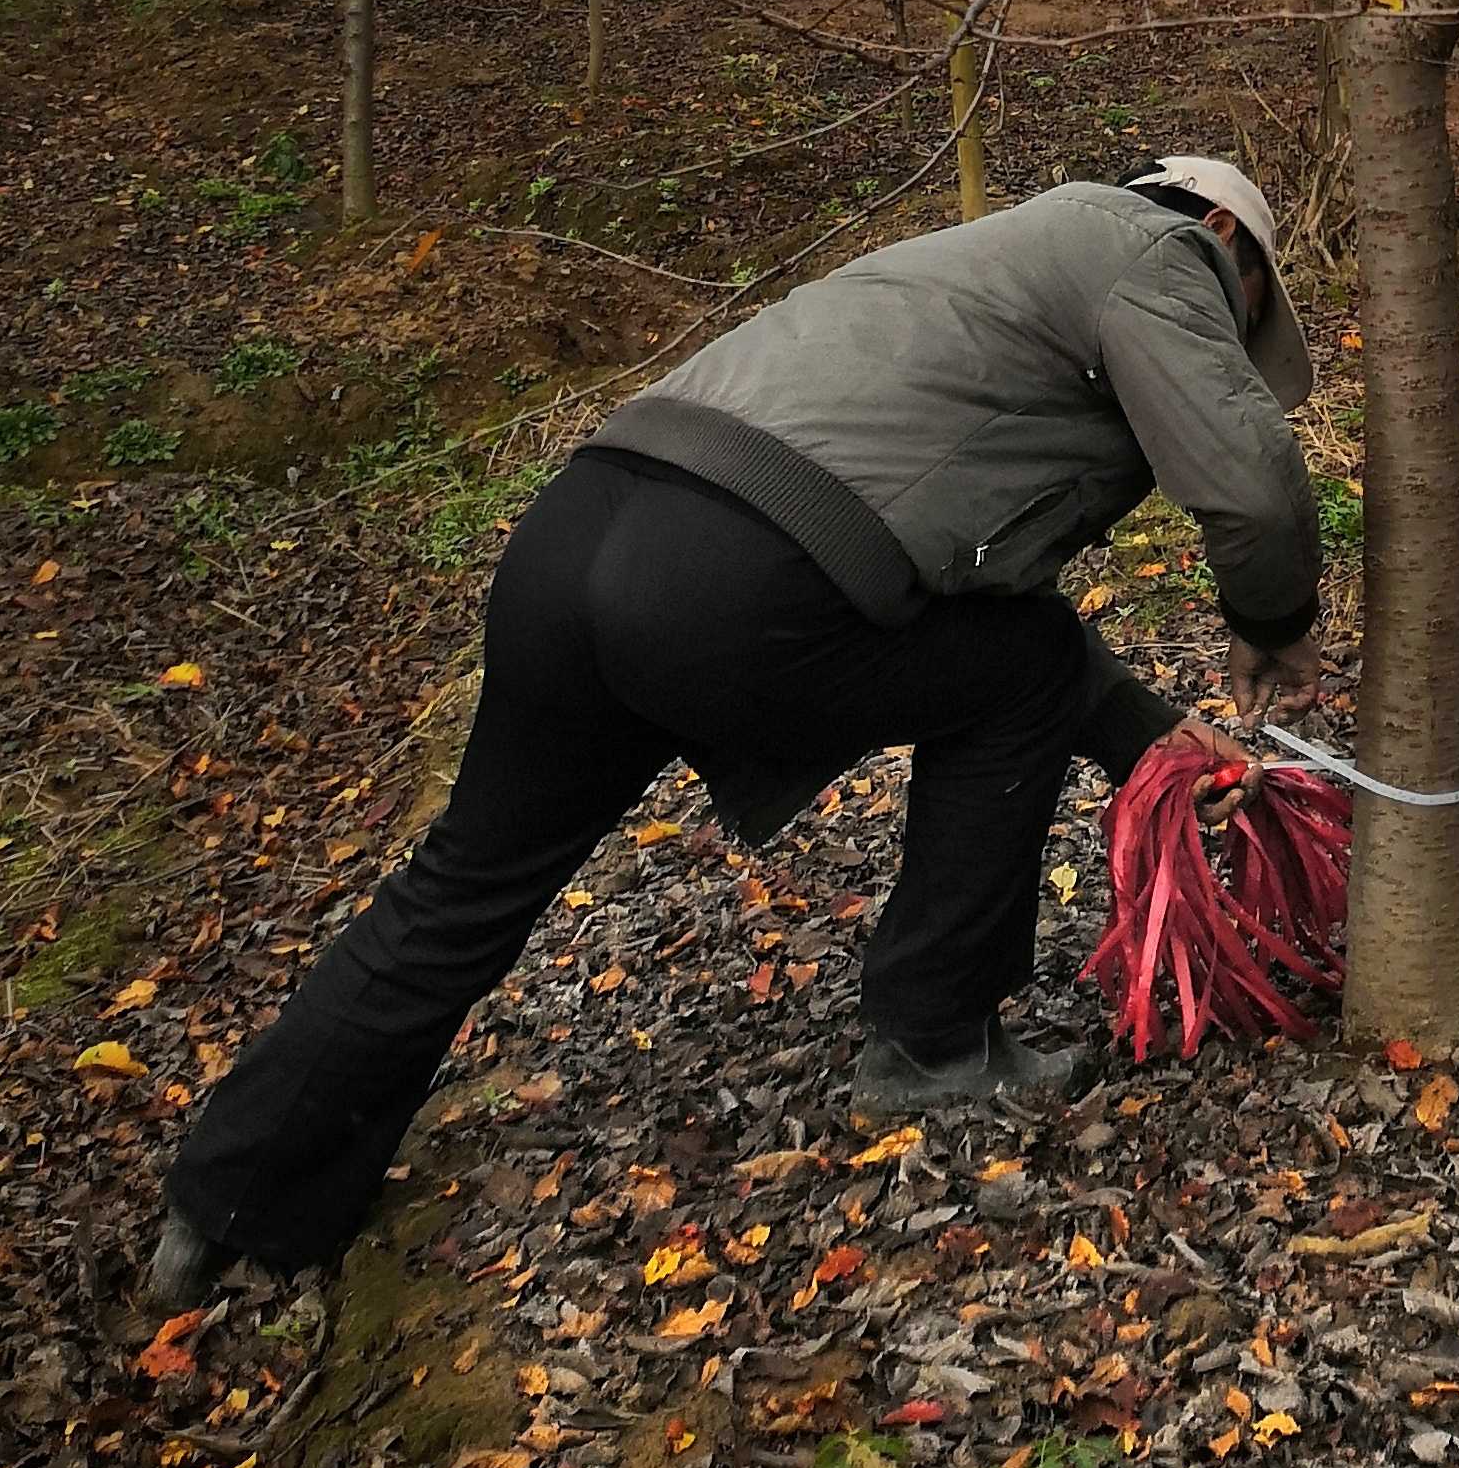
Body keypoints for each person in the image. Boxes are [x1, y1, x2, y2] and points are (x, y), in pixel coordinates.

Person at [148, 152, 1321, 1300]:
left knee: (466, 879)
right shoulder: (1155, 246)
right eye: (1249, 311)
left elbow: (979, 598)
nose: (1232, 334)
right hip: (728, 572)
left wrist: (1150, 739)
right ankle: (929, 1044)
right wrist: (1271, 631)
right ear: (1226, 241)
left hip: (578, 532)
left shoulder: (976, 280)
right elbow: (1249, 487)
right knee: (1018, 672)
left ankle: (233, 1200)